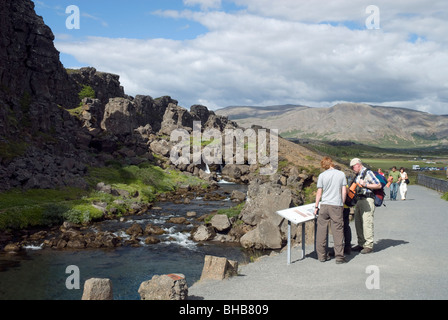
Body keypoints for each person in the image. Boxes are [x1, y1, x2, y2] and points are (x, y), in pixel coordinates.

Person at [314, 157, 348, 264]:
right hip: (336, 205)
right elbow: (344, 191)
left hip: (324, 205)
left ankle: (321, 256)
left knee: (321, 230)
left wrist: (316, 206)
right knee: (337, 231)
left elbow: (319, 192)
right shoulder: (341, 174)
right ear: (332, 163)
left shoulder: (322, 175)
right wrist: (342, 203)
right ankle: (339, 257)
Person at [350, 158, 382, 254]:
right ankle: (361, 243)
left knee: (367, 222)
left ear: (358, 164)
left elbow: (378, 185)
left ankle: (368, 245)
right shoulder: (358, 174)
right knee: (358, 222)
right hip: (359, 199)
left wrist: (366, 185)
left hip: (367, 199)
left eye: (353, 166)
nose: (352, 168)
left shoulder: (368, 173)